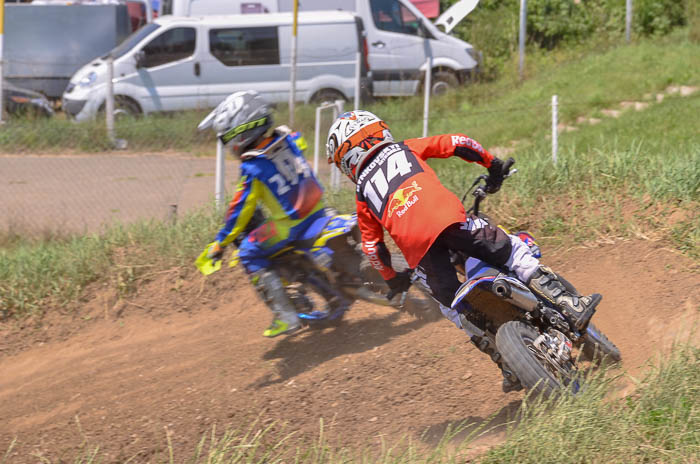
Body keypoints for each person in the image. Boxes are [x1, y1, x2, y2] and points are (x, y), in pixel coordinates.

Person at [325, 110, 600, 391]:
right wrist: (493, 165)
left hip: (420, 252)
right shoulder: (405, 149)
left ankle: (504, 360)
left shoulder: (362, 192)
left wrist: (392, 279)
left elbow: (373, 247)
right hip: (451, 222)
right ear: (377, 131)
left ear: (349, 157)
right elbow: (457, 142)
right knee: (512, 251)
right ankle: (568, 303)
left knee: (452, 306)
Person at [198, 90, 329, 338]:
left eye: (229, 139)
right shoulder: (289, 139)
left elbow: (239, 211)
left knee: (248, 252)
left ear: (241, 133)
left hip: (291, 225)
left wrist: (220, 242)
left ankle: (286, 317)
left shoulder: (252, 167)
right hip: (319, 208)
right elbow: (301, 142)